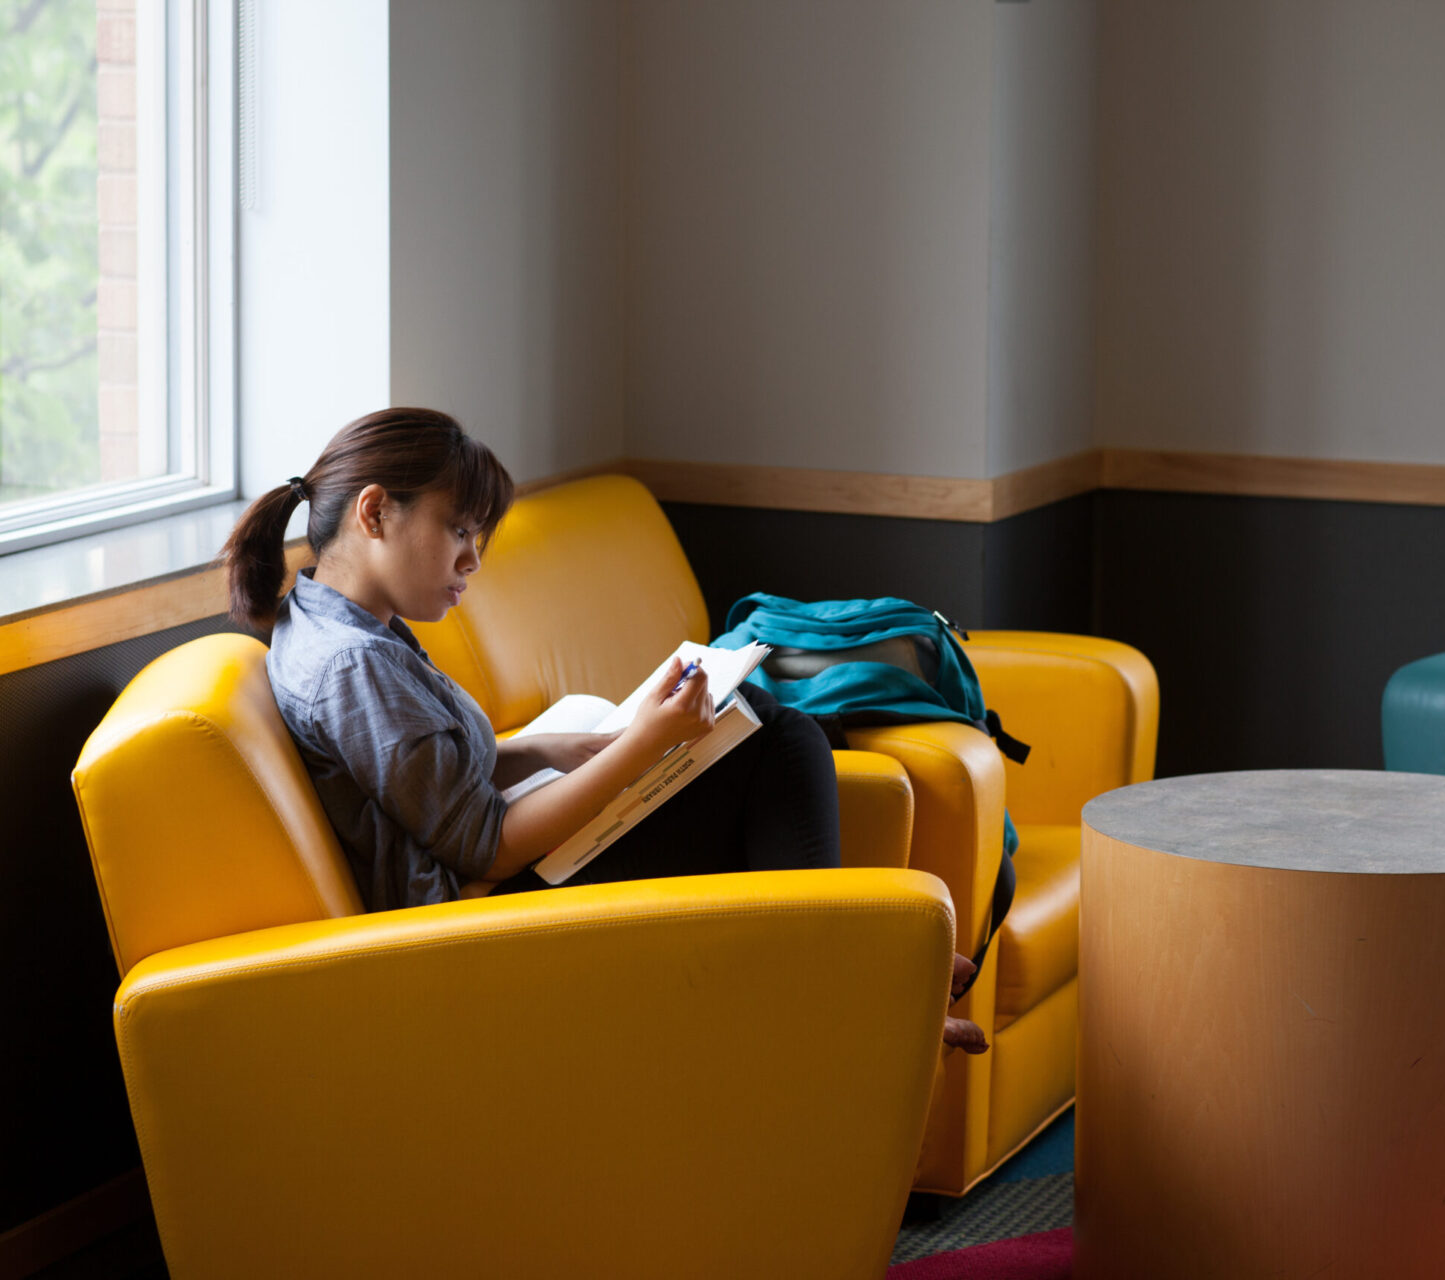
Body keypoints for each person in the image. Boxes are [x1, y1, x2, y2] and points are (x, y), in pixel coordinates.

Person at [220, 407, 987, 1053]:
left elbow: (420, 781)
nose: (472, 559)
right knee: (780, 739)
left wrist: (562, 746)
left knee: (754, 734)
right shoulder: (354, 663)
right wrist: (640, 746)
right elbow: (484, 843)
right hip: (480, 926)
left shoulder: (329, 623)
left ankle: (848, 971)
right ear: (376, 510)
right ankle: (856, 984)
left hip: (487, 889)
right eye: (459, 529)